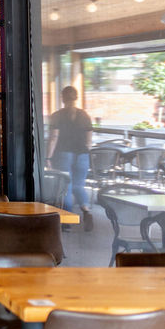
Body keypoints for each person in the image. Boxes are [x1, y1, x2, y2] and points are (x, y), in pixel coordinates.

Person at [46, 85, 93, 228]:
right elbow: (89, 140)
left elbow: (54, 138)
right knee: (79, 185)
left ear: (62, 98)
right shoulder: (84, 115)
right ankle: (86, 210)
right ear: (76, 97)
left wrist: (48, 157)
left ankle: (67, 221)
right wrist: (85, 151)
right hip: (82, 155)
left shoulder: (57, 116)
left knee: (65, 186)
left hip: (63, 154)